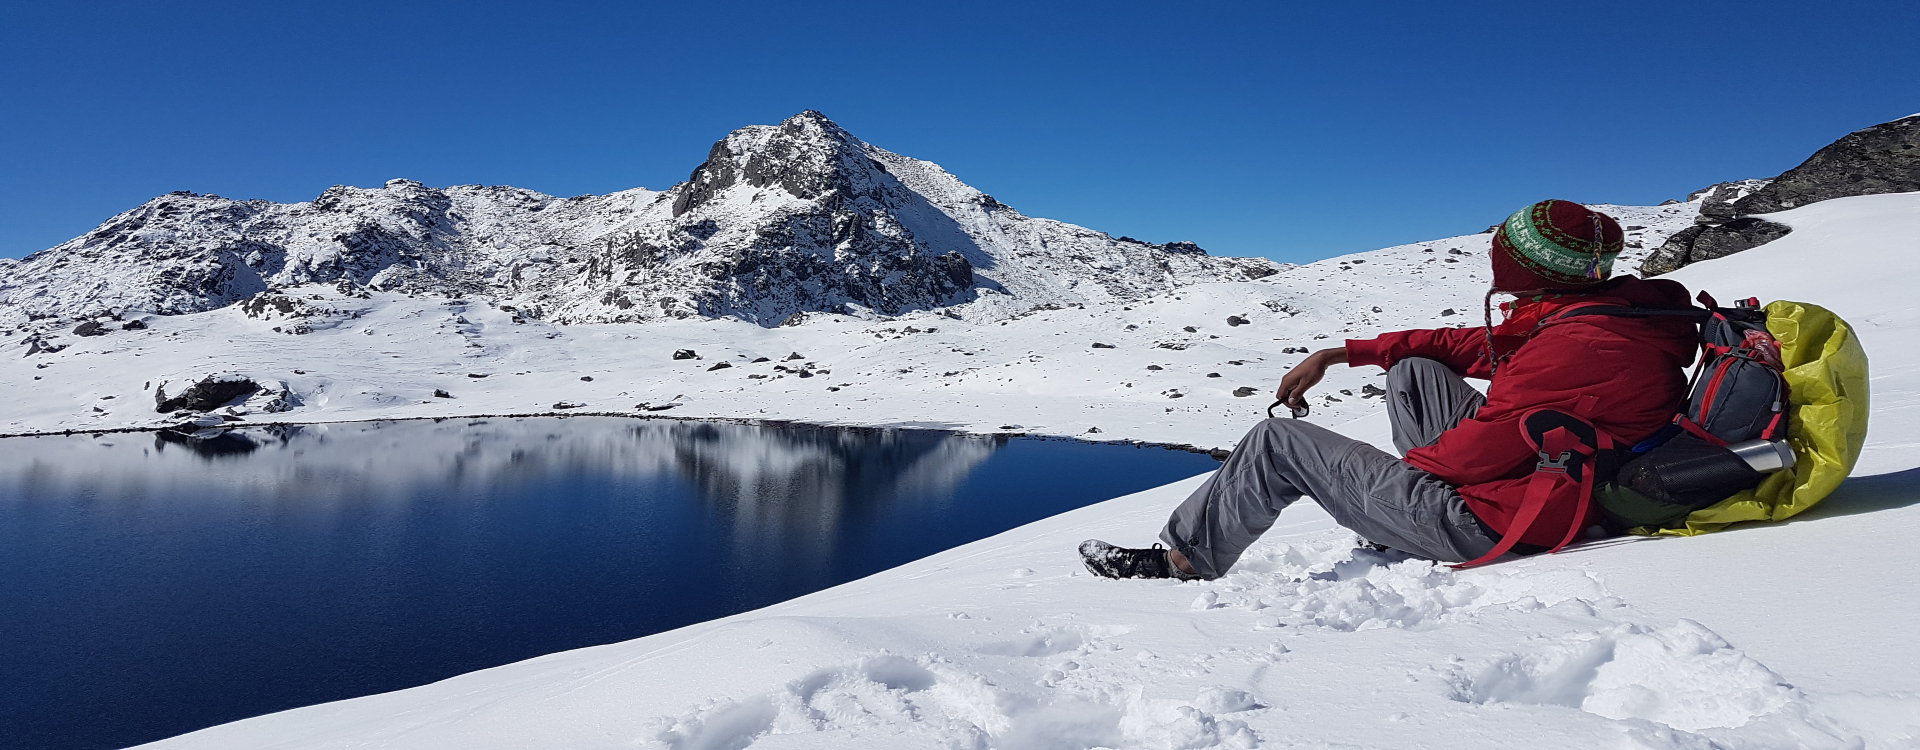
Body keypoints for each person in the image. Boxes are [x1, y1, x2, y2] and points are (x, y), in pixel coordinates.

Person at [1081, 200, 1700, 579]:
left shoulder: (1573, 348)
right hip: (1550, 481)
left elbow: (1480, 451)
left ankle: (1183, 562)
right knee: (1415, 369)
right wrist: (1343, 354)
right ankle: (1391, 516)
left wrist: (1374, 482)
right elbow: (1467, 348)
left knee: (1279, 443)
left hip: (1506, 520)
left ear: (1528, 268)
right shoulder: (1598, 313)